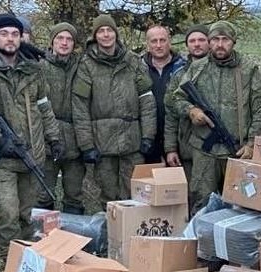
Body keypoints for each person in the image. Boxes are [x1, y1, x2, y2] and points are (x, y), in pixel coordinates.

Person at [0, 14, 62, 261]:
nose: (10, 39)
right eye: (4, 34)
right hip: (1, 158)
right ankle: (6, 258)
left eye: (15, 34)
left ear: (21, 37)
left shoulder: (33, 69)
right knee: (7, 212)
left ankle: (24, 257)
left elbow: (44, 106)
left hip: (32, 153)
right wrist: (0, 140)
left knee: (25, 212)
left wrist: (54, 138)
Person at [170, 20, 261, 211]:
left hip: (237, 150)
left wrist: (251, 144)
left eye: (225, 39)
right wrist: (192, 111)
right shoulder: (198, 68)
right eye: (215, 39)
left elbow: (260, 108)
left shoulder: (248, 69)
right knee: (201, 202)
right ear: (209, 41)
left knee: (242, 204)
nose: (220, 44)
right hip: (204, 150)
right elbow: (177, 98)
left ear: (233, 42)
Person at [72, 14, 156, 207]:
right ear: (95, 36)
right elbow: (80, 107)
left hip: (132, 142)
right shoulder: (86, 66)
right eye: (101, 31)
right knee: (108, 199)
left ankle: (133, 227)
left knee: (135, 196)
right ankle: (111, 226)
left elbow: (146, 99)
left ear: (116, 34)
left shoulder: (133, 61)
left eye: (109, 30)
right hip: (102, 144)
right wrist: (86, 145)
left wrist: (148, 135)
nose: (106, 35)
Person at [37, 22, 89, 215]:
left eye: (69, 39)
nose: (64, 43)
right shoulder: (40, 67)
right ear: (52, 42)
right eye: (60, 38)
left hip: (76, 140)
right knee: (43, 193)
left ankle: (72, 231)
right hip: (46, 141)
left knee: (74, 194)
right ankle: (42, 232)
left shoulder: (82, 67)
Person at [164, 24, 210, 180]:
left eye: (201, 40)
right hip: (188, 150)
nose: (197, 44)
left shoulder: (222, 72)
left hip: (220, 150)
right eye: (192, 41)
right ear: (187, 45)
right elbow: (171, 114)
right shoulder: (179, 76)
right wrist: (170, 149)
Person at [142, 24, 187, 164]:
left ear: (170, 41)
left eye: (162, 40)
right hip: (147, 141)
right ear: (147, 44)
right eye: (154, 41)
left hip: (179, 139)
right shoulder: (138, 69)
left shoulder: (184, 68)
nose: (158, 45)